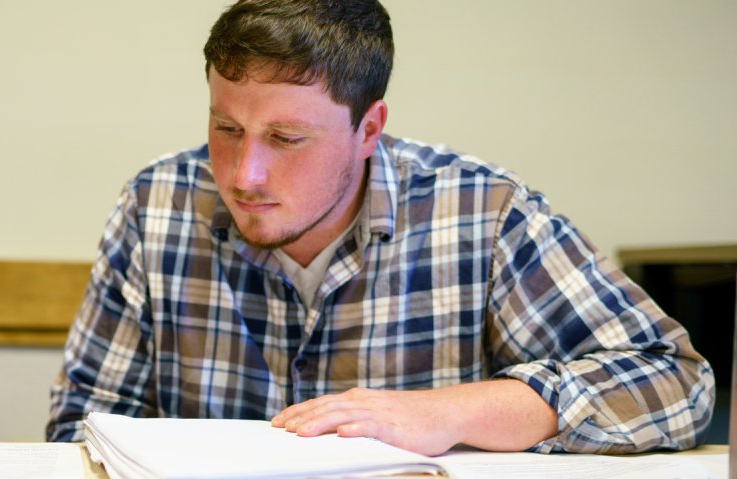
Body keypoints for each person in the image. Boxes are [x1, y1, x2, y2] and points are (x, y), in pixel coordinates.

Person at [48, 0, 715, 455]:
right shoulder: (159, 205)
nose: (244, 173)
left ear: (369, 129)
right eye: (226, 129)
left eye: (286, 137)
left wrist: (445, 414)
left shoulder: (481, 213)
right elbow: (80, 429)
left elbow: (675, 383)